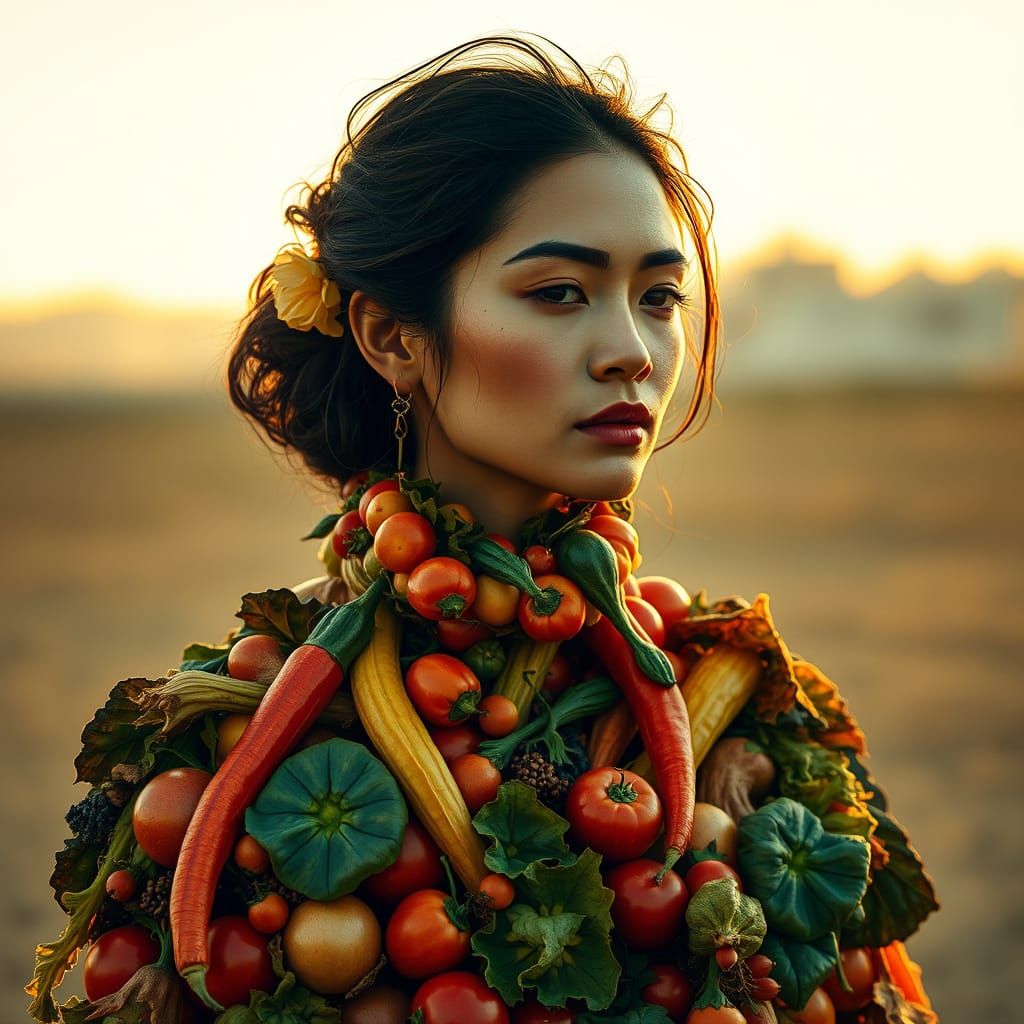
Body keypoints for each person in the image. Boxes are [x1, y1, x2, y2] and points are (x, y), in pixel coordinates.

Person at [28, 33, 937, 1024]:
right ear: (392, 336)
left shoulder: (746, 696)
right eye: (559, 293)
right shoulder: (235, 714)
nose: (633, 352)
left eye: (660, 296)